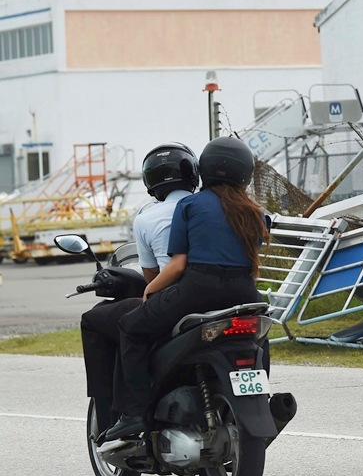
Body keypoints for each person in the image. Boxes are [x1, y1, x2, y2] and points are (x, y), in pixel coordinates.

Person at [104, 137, 268, 440]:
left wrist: (149, 290)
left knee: (130, 327)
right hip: (246, 292)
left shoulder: (191, 205)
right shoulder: (256, 213)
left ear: (203, 169)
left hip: (198, 289)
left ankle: (135, 415)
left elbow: (178, 265)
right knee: (257, 338)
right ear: (246, 173)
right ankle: (261, 398)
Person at [80, 142, 198, 435]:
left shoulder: (148, 217)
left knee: (97, 321)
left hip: (174, 299)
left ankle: (116, 412)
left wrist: (151, 287)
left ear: (152, 181)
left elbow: (153, 275)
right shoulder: (211, 207)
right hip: (229, 296)